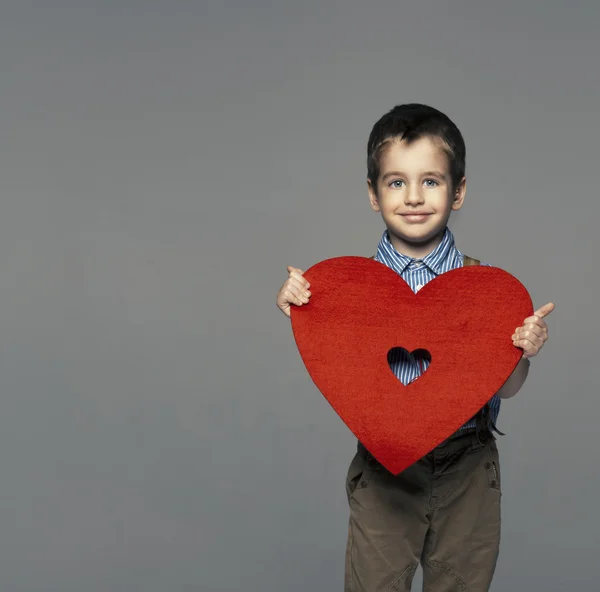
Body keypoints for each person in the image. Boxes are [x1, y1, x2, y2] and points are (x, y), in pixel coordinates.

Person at [275, 103, 554, 591]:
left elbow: (505, 388)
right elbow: (330, 355)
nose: (413, 197)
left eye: (431, 181)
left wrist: (520, 350)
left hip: (467, 468)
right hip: (384, 471)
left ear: (459, 191)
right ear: (372, 193)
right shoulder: (348, 290)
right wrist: (303, 305)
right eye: (396, 182)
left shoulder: (485, 290)